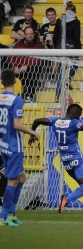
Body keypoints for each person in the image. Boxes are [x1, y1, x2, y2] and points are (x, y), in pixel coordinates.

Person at [28, 104, 83, 213]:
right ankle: (66, 199)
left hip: (65, 161)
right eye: (79, 116)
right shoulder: (74, 123)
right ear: (74, 114)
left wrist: (32, 134)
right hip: (76, 158)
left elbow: (37, 120)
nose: (79, 118)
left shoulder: (56, 121)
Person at [0, 69, 40, 226]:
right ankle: (4, 217)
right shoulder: (16, 100)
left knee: (22, 177)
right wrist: (33, 133)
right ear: (16, 82)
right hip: (14, 146)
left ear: (1, 82)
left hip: (3, 144)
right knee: (12, 181)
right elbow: (17, 124)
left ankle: (12, 213)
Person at [53, 1, 82, 102]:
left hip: (60, 47)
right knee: (76, 63)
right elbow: (76, 37)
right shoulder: (76, 21)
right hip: (71, 46)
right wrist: (79, 52)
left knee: (61, 72)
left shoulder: (59, 20)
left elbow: (55, 36)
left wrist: (57, 47)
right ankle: (69, 79)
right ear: (75, 12)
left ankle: (57, 96)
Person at [9, 26, 45, 103]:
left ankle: (29, 96)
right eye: (28, 34)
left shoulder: (39, 44)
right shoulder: (19, 43)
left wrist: (27, 66)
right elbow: (12, 56)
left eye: (31, 33)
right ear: (24, 35)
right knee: (7, 70)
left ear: (34, 35)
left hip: (31, 68)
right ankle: (9, 96)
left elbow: (39, 58)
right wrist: (15, 67)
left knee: (33, 69)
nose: (30, 35)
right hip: (18, 68)